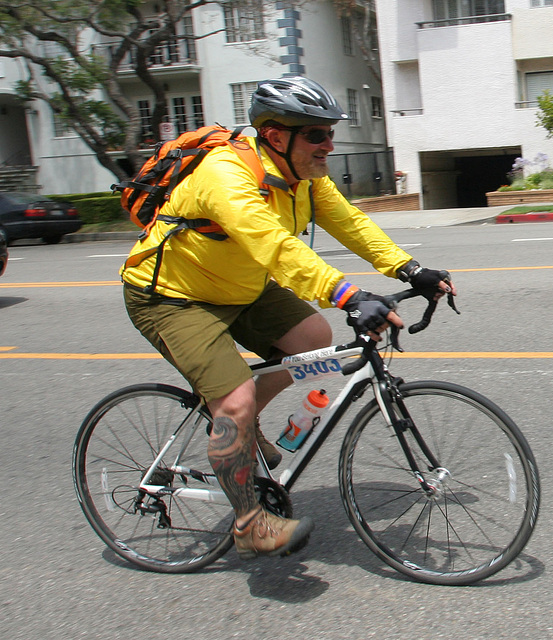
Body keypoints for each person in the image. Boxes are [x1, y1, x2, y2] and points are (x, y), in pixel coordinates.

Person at [121, 76, 456, 561]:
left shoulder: (305, 180)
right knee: (233, 404)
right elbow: (272, 246)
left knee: (314, 340)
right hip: (173, 298)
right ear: (278, 137)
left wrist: (411, 268)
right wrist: (347, 294)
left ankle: (238, 423)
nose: (329, 144)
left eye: (329, 133)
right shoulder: (225, 174)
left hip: (243, 288)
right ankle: (249, 521)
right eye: (316, 134)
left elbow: (353, 223)